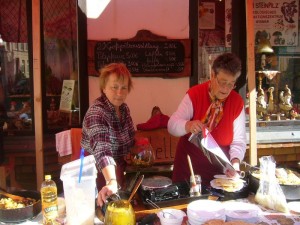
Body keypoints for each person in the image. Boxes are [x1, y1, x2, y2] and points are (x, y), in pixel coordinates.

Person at [168, 52, 247, 186]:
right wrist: (188, 125)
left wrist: (235, 162)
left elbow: (238, 141)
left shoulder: (236, 102)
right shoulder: (195, 94)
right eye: (222, 82)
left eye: (231, 84)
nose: (226, 89)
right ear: (212, 75)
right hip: (189, 173)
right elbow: (172, 125)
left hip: (221, 175)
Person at [81, 63, 135, 207]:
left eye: (124, 87)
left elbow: (131, 138)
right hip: (96, 172)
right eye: (114, 87)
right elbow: (103, 151)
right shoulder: (97, 112)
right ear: (104, 88)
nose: (119, 92)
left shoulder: (124, 109)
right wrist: (111, 181)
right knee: (102, 211)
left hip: (117, 168)